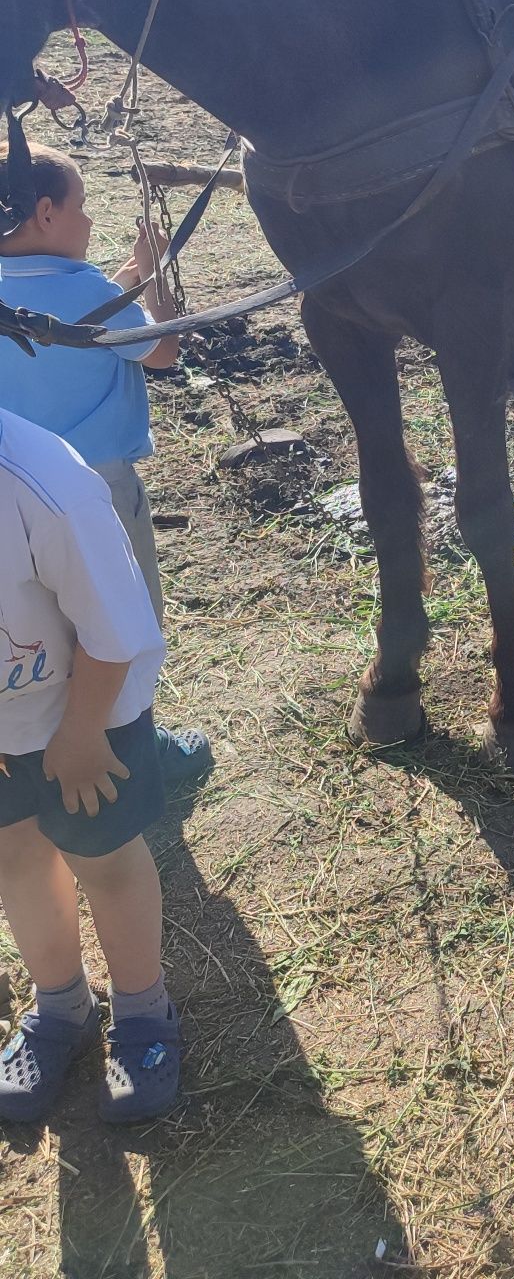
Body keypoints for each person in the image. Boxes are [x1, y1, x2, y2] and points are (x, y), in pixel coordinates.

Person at [0, 145, 210, 789]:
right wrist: (157, 276)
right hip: (98, 493)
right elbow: (163, 350)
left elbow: (83, 320)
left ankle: (39, 747)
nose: (90, 222)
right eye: (82, 208)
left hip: (13, 492)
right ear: (45, 212)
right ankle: (136, 752)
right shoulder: (91, 290)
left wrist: (125, 285)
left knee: (40, 623)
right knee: (120, 618)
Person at [0, 403, 179, 1123]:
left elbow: (114, 633)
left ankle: (144, 1015)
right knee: (13, 855)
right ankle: (61, 1006)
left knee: (102, 856)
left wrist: (78, 737)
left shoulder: (45, 487)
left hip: (89, 712)